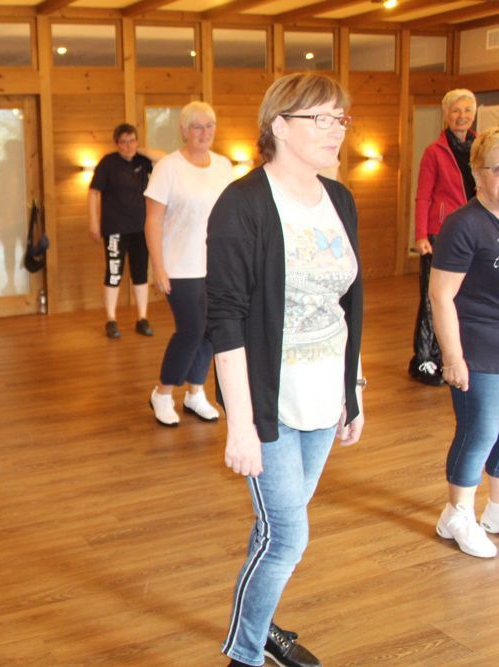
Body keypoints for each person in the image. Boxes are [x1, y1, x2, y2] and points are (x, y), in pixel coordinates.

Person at [206, 73, 364, 667]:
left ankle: (262, 623)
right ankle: (245, 654)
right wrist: (240, 425)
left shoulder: (339, 199)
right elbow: (226, 317)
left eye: (340, 118)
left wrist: (354, 387)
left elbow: (347, 304)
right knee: (288, 535)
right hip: (268, 403)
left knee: (276, 530)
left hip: (325, 398)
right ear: (279, 125)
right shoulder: (243, 203)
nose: (336, 129)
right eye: (320, 118)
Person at [428, 125, 499, 559]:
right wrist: (453, 357)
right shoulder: (464, 224)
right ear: (477, 173)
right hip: (477, 343)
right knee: (481, 429)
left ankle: (495, 509)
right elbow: (440, 295)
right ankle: (458, 513)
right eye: (497, 169)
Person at [145, 101, 233, 426]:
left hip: (216, 265)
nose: (204, 132)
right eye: (197, 126)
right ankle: (163, 393)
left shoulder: (223, 165)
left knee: (210, 330)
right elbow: (153, 221)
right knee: (191, 329)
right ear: (183, 130)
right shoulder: (168, 167)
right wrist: (159, 267)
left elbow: (230, 215)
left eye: (209, 125)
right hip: (180, 266)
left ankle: (195, 393)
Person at [410, 89, 478, 386]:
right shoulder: (434, 152)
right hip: (441, 234)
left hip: (473, 232)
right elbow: (423, 196)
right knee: (432, 297)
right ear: (446, 114)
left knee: (463, 297)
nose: (462, 116)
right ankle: (424, 359)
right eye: (456, 110)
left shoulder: (482, 147)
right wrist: (420, 234)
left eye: (467, 110)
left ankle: (452, 355)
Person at [88, 123, 156, 339]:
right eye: (124, 142)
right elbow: (93, 192)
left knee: (140, 273)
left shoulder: (142, 161)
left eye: (132, 140)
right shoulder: (107, 163)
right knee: (114, 273)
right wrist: (93, 222)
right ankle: (111, 319)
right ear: (116, 143)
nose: (128, 146)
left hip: (140, 228)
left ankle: (142, 318)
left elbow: (164, 159)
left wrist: (140, 150)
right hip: (115, 229)